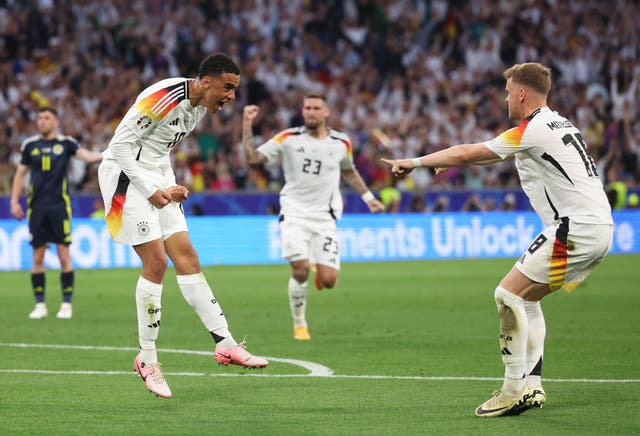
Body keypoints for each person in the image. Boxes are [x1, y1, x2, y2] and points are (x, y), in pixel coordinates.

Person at [382, 62, 613, 417]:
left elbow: (469, 151)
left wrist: (415, 162)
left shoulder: (533, 129)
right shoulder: (558, 123)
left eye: (508, 92)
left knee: (506, 294)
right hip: (597, 226)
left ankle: (511, 390)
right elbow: (492, 156)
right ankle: (532, 387)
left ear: (522, 93)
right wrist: (459, 162)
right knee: (528, 300)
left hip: (574, 228)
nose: (506, 98)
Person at [97, 53, 268, 400]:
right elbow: (120, 148)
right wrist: (152, 190)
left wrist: (169, 183)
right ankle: (147, 359)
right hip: (124, 179)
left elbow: (159, 148)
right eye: (228, 87)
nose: (232, 96)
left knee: (187, 257)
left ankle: (225, 344)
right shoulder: (162, 98)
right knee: (157, 263)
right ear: (206, 82)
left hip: (157, 175)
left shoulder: (200, 107)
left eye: (235, 89)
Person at [242, 95, 384, 341]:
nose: (311, 112)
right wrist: (246, 123)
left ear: (326, 112)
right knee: (300, 269)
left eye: (316, 108)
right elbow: (253, 158)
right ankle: (300, 325)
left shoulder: (342, 142)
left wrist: (368, 197)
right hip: (294, 213)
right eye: (307, 108)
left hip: (325, 217)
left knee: (329, 281)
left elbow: (349, 172)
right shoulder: (287, 138)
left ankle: (320, 270)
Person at [10, 107, 103, 320]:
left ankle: (66, 304)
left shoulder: (66, 143)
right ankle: (40, 305)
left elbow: (87, 157)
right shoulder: (29, 145)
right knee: (38, 256)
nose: (41, 121)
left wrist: (106, 154)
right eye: (39, 117)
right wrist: (15, 201)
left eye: (46, 118)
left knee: (63, 255)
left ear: (56, 122)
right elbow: (20, 174)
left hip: (59, 207)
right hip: (37, 208)